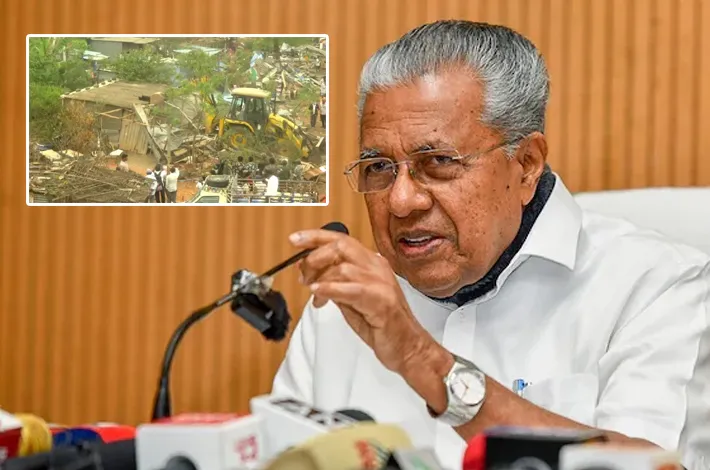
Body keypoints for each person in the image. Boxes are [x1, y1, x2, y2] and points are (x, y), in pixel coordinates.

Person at [271, 20, 710, 470]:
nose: (400, 201)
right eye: (380, 167)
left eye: (438, 161)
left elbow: (656, 465)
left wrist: (424, 361)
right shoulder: (344, 307)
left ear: (526, 164)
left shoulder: (658, 287)